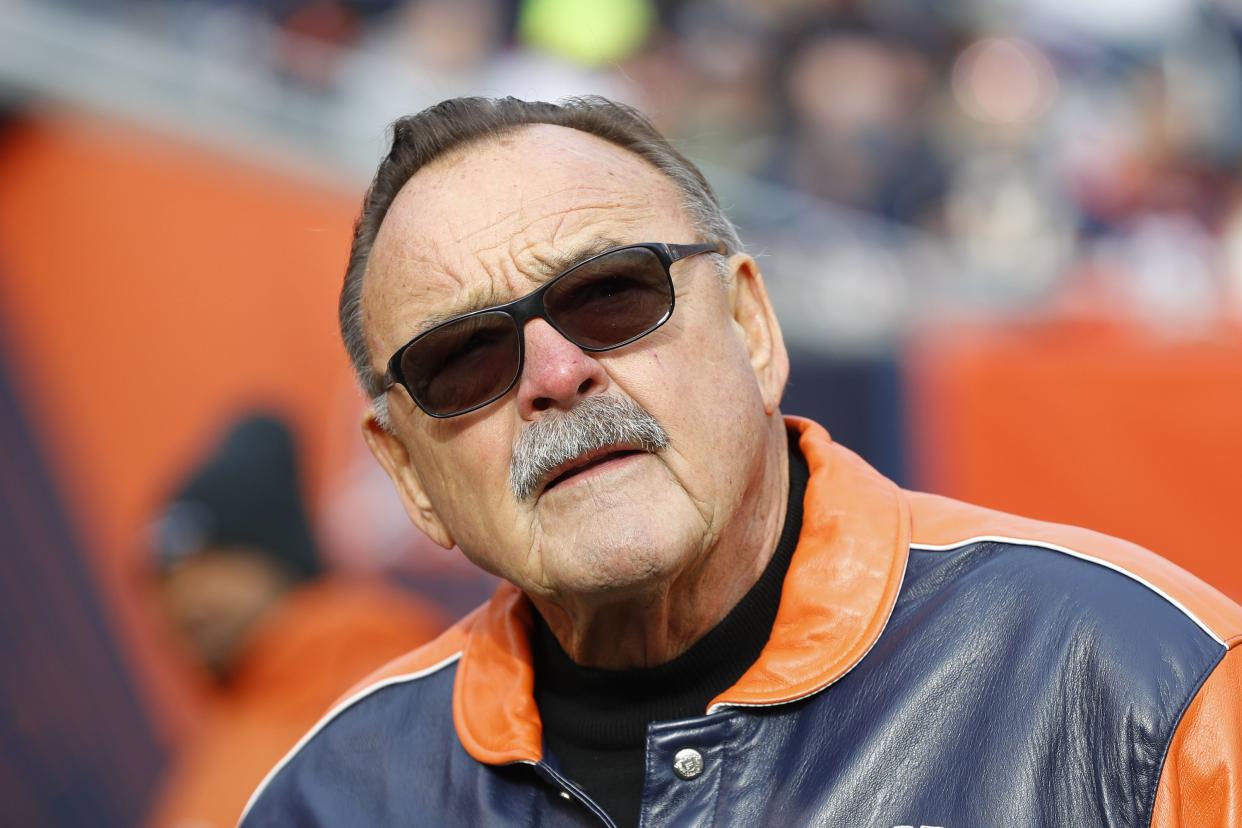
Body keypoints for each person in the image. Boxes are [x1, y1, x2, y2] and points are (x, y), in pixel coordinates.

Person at [240, 97, 1242, 827]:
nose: (556, 373)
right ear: (409, 475)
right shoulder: (328, 800)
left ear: (754, 328)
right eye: (465, 361)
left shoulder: (1144, 686)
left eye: (611, 297)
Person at [143, 413, 445, 828]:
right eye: (165, 584)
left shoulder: (383, 663)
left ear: (270, 554)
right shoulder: (228, 723)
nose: (182, 603)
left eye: (207, 565)